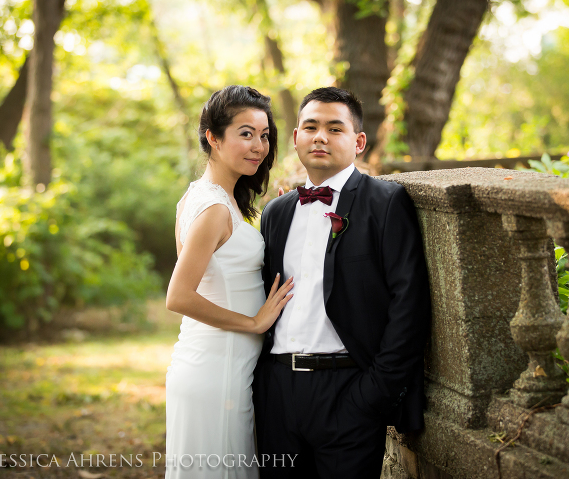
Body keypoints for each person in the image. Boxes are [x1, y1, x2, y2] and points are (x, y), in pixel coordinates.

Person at [254, 87, 431, 478]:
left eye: (335, 128)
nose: (320, 136)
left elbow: (409, 304)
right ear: (296, 137)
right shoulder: (276, 213)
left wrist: (374, 394)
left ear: (358, 141)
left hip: (349, 391)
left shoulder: (384, 202)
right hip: (278, 394)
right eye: (311, 127)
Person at [165, 85, 294, 479]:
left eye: (264, 134)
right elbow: (179, 295)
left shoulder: (206, 199)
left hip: (218, 368)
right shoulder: (214, 209)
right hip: (215, 372)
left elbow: (216, 278)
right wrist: (254, 323)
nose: (259, 145)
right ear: (213, 138)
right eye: (245, 133)